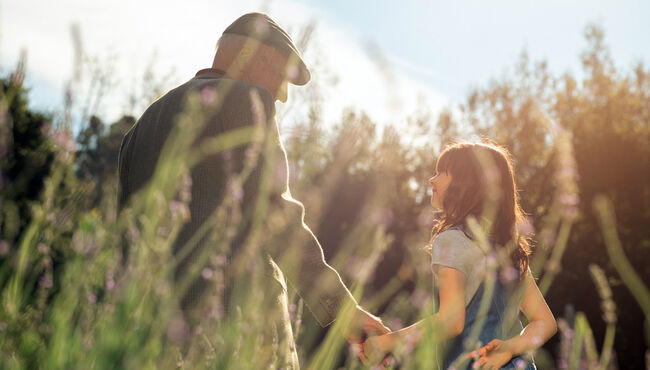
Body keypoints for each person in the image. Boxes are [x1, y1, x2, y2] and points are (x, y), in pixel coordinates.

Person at [117, 12, 388, 368]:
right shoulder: (244, 100)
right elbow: (274, 214)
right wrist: (342, 310)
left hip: (145, 327)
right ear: (257, 57)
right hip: (231, 322)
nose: (284, 95)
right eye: (282, 76)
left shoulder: (142, 126)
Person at [361, 142, 557, 369]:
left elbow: (451, 321)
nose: (431, 180)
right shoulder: (509, 250)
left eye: (441, 173)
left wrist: (387, 342)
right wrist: (509, 348)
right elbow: (546, 322)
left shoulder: (452, 240)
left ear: (467, 184)